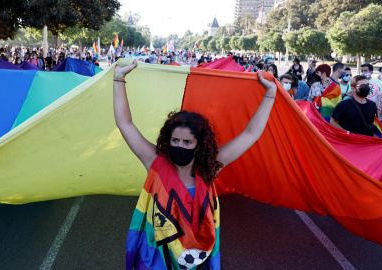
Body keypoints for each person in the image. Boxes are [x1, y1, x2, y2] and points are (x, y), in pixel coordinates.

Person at [115, 60, 276, 269]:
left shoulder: (210, 167)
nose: (180, 146)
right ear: (167, 140)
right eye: (175, 140)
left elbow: (251, 133)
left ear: (199, 144)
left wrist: (270, 92)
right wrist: (118, 78)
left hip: (199, 259)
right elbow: (124, 123)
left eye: (187, 142)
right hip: (160, 260)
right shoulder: (156, 163)